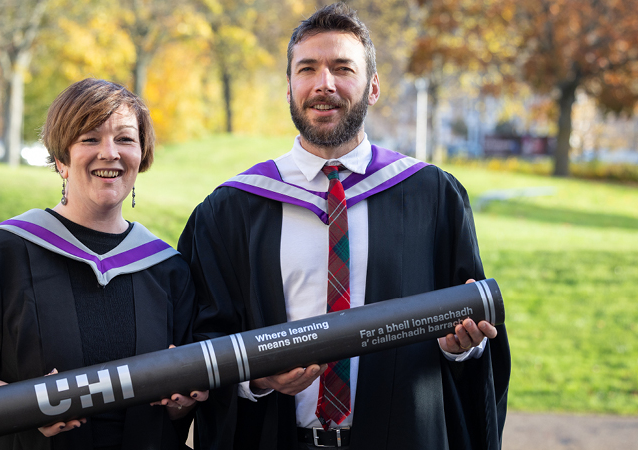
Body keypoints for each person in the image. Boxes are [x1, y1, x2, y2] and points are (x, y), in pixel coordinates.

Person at [178, 3, 510, 450]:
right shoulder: (234, 208)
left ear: (373, 87)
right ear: (290, 86)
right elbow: (201, 337)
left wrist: (461, 345)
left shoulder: (431, 196)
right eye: (307, 69)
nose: (323, 84)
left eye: (342, 68)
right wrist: (254, 375)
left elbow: (470, 322)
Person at [0, 78, 206, 450]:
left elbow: (180, 408)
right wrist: (27, 405)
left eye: (124, 139)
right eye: (90, 139)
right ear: (61, 159)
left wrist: (181, 404)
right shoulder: (0, 254)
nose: (110, 153)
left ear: (142, 156)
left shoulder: (167, 270)